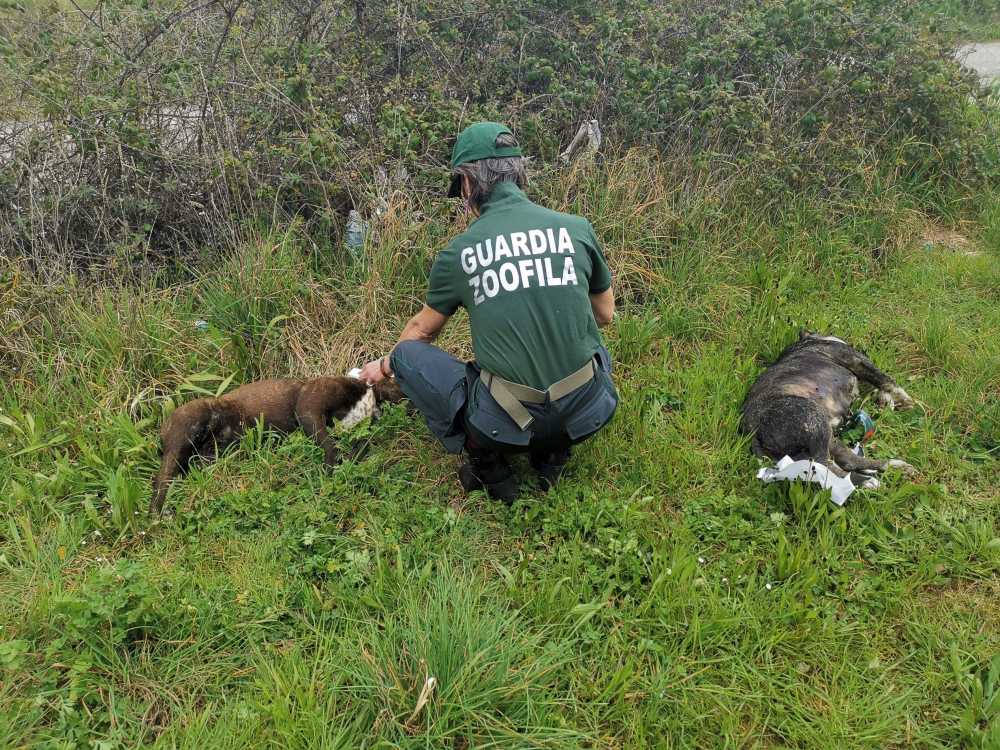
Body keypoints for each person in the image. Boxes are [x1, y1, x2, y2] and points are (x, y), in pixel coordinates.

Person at [359, 121, 617, 501]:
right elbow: (605, 315)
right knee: (595, 350)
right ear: (517, 173)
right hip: (590, 410)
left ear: (467, 184)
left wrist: (383, 366)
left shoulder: (459, 252)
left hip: (505, 423)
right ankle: (554, 454)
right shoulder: (576, 228)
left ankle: (489, 467)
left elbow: (421, 333)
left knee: (406, 356)